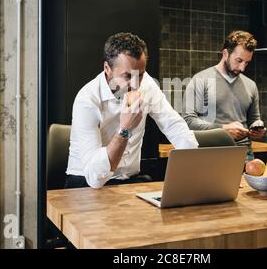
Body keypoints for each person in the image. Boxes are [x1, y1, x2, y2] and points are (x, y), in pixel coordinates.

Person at [65, 32, 198, 189]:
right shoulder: (87, 99)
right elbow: (95, 179)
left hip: (129, 181)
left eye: (140, 75)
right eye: (127, 76)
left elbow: (173, 124)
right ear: (107, 68)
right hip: (85, 183)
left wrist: (196, 164)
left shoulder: (147, 84)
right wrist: (125, 129)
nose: (135, 84)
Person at [183, 30, 266, 162]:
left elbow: (254, 120)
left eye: (247, 62)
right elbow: (188, 121)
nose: (242, 68)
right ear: (226, 53)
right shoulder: (200, 80)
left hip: (244, 157)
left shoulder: (251, 85)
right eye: (239, 60)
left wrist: (257, 130)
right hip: (208, 156)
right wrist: (223, 130)